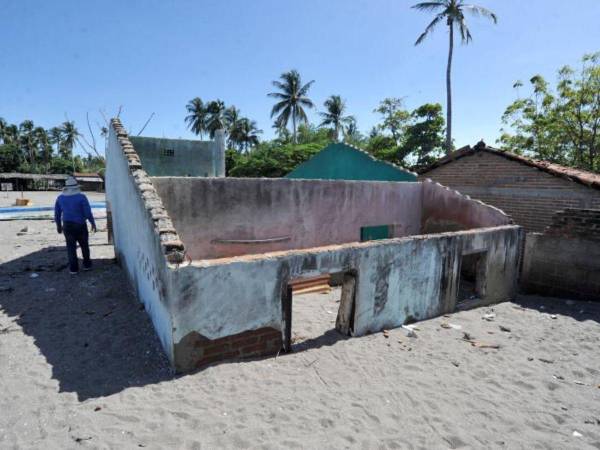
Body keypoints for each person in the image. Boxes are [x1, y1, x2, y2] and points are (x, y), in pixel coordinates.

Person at [54, 176, 97, 274]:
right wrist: (92, 223)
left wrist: (58, 226)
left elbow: (57, 214)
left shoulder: (60, 198)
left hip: (67, 225)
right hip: (80, 225)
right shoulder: (82, 197)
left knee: (70, 247)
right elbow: (88, 213)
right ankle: (86, 265)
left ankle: (73, 269)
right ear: (76, 187)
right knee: (84, 245)